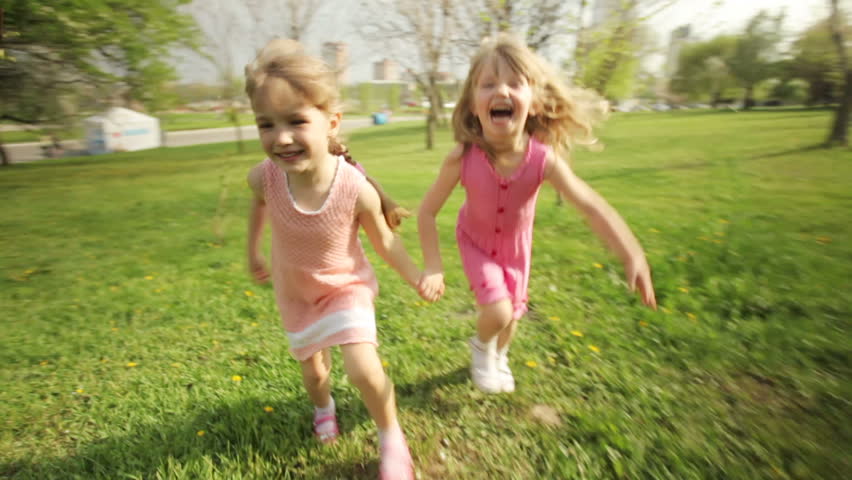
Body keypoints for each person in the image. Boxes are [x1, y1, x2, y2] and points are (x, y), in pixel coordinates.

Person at [417, 34, 657, 394]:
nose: (502, 91)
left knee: (512, 316)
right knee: (497, 312)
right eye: (488, 84)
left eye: (515, 83)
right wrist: (434, 265)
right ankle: (481, 348)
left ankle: (500, 355)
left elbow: (589, 204)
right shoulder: (462, 158)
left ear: (534, 102)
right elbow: (427, 213)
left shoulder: (543, 160)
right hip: (476, 243)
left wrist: (631, 252)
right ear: (471, 104)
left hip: (516, 252)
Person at [244, 38, 422, 479]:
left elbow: (384, 242)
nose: (281, 138)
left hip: (346, 289)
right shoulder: (265, 178)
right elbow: (259, 205)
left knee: (363, 369)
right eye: (266, 125)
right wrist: (252, 248)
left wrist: (417, 276)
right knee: (315, 375)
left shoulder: (352, 188)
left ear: (331, 122)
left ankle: (391, 436)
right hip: (297, 294)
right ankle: (324, 408)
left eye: (296, 121)